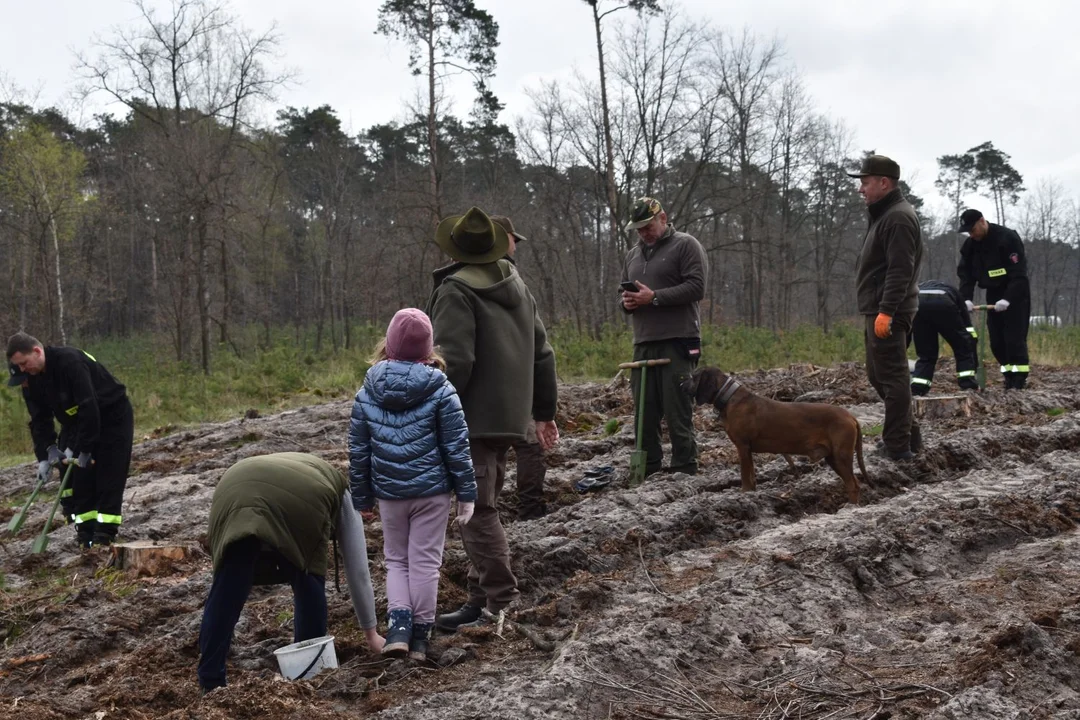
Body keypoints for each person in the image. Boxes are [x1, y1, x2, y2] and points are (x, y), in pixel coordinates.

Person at [424, 206, 559, 632]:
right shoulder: (516, 284)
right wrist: (543, 412)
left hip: (471, 420)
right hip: (507, 418)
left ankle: (500, 602)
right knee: (482, 505)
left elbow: (455, 362)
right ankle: (478, 597)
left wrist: (427, 409)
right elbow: (543, 353)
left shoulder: (455, 291)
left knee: (476, 510)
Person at [348, 308, 477, 660]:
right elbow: (457, 446)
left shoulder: (367, 391)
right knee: (424, 563)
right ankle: (421, 637)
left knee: (396, 561)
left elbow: (358, 451)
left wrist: (362, 497)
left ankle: (398, 630)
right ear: (428, 348)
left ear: (387, 344)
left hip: (390, 493)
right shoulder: (441, 389)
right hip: (433, 492)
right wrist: (466, 494)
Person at [198, 452, 383, 692]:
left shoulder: (308, 466)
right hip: (301, 498)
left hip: (233, 484)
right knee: (308, 577)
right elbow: (358, 571)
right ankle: (308, 675)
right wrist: (371, 633)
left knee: (227, 586)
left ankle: (210, 681)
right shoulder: (343, 492)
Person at [6, 332, 134, 548]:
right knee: (78, 479)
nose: (23, 370)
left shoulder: (69, 362)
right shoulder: (31, 378)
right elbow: (39, 419)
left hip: (111, 417)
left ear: (37, 352)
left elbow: (89, 406)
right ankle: (85, 536)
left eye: (24, 363)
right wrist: (47, 452)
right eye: (18, 367)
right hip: (77, 422)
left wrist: (84, 449)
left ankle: (105, 535)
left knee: (107, 475)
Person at [620, 197, 708, 476]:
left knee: (676, 410)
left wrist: (654, 297)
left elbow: (696, 287)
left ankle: (685, 468)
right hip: (644, 342)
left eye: (648, 226)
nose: (644, 232)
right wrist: (628, 303)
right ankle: (647, 469)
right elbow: (624, 296)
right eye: (639, 228)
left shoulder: (686, 245)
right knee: (644, 413)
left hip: (678, 340)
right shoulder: (632, 255)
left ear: (663, 218)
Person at [848, 155, 924, 461]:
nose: (861, 189)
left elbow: (899, 270)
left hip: (889, 311)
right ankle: (909, 436)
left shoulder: (897, 217)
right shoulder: (884, 214)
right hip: (878, 309)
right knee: (878, 376)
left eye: (865, 183)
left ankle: (898, 447)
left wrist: (887, 311)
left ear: (884, 183)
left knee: (892, 378)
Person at [491, 214, 549, 520]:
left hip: (484, 386)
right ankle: (530, 508)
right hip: (516, 381)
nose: (516, 245)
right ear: (503, 240)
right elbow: (540, 347)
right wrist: (545, 408)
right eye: (513, 239)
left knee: (489, 453)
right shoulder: (514, 283)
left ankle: (487, 512)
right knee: (527, 446)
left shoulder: (458, 280)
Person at [957, 208, 1031, 389]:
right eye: (968, 232)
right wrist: (966, 298)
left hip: (1015, 294)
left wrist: (1007, 299)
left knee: (1014, 339)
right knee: (997, 341)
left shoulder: (1007, 239)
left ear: (982, 221)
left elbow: (1019, 274)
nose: (971, 234)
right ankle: (1007, 375)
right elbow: (966, 274)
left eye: (973, 229)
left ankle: (1019, 379)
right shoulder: (971, 245)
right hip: (993, 293)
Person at [909, 280, 980, 395]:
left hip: (918, 305)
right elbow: (966, 324)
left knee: (926, 355)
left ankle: (918, 388)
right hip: (943, 304)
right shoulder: (953, 291)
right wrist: (971, 341)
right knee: (962, 349)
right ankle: (968, 385)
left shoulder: (919, 288)